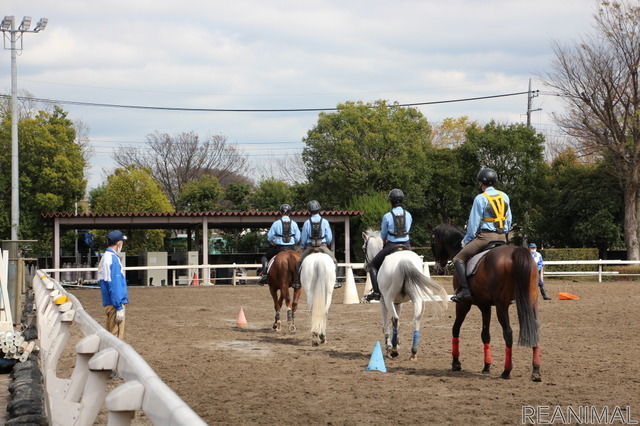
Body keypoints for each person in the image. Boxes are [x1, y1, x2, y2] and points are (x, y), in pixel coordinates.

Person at [450, 168, 512, 303]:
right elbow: (509, 219)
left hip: (486, 238)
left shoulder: (480, 198)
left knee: (458, 258)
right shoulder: (504, 196)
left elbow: (473, 223)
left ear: (481, 183)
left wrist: (467, 239)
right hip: (502, 238)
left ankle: (465, 290)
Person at [364, 189, 413, 302]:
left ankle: (376, 292)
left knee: (372, 265)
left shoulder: (387, 216)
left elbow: (384, 235)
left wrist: (385, 243)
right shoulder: (408, 215)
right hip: (406, 245)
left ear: (391, 201)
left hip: (391, 245)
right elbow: (408, 229)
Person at [293, 200, 339, 289]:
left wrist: (303, 247)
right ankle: (335, 280)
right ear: (319, 209)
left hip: (310, 247)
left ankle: (297, 281)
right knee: (334, 261)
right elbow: (329, 237)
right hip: (322, 246)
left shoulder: (307, 222)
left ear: (309, 210)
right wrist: (327, 243)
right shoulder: (325, 221)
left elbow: (304, 238)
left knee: (299, 262)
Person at [258, 204, 301, 285]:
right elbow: (298, 238)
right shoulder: (294, 224)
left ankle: (265, 275)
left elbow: (270, 237)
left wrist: (273, 241)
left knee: (265, 257)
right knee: (299, 260)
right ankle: (299, 277)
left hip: (279, 248)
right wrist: (293, 242)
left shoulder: (276, 223)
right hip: (291, 247)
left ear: (280, 212)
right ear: (290, 213)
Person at [97, 230, 129, 339]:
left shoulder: (105, 258)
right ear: (119, 243)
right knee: (117, 339)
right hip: (115, 304)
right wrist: (119, 306)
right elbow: (115, 284)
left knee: (110, 337)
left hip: (108, 303)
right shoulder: (113, 259)